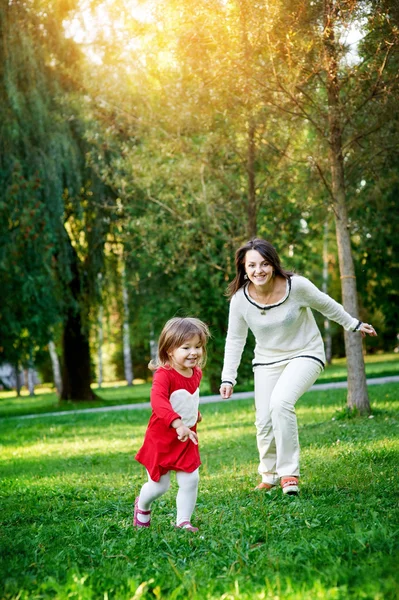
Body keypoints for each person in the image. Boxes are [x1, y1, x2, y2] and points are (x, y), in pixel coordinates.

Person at [220, 238, 377, 496]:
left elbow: (326, 305)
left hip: (305, 353)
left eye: (264, 264)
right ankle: (268, 476)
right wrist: (228, 378)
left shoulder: (297, 287)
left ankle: (289, 474)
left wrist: (354, 324)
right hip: (266, 361)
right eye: (252, 265)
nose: (258, 270)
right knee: (264, 421)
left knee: (281, 403)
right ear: (243, 268)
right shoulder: (240, 300)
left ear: (273, 265)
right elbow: (236, 339)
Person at [134, 317, 210, 532]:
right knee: (159, 486)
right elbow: (158, 401)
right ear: (169, 351)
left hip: (186, 438)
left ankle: (183, 521)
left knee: (190, 480)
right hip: (163, 439)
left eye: (198, 346)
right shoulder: (164, 375)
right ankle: (142, 506)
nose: (193, 352)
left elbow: (187, 396)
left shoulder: (196, 373)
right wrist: (177, 423)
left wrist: (194, 414)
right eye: (186, 347)